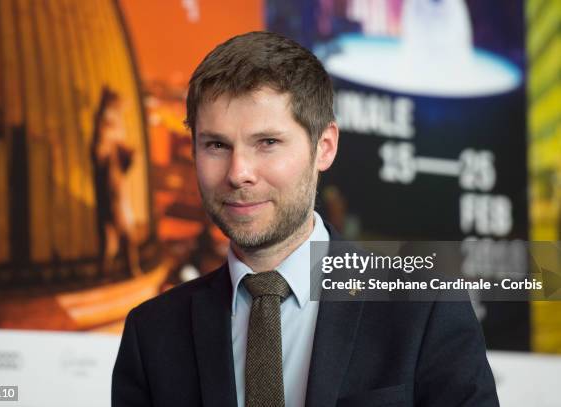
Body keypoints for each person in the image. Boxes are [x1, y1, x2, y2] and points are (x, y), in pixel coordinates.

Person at [112, 31, 498, 407]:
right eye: (216, 145)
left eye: (267, 143)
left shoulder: (424, 308)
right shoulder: (152, 335)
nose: (238, 172)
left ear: (324, 147)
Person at [92, 87, 142, 278]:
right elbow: (101, 155)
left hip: (114, 192)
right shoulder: (105, 133)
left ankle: (106, 271)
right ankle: (128, 270)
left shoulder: (108, 135)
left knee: (111, 239)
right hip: (113, 194)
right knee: (123, 236)